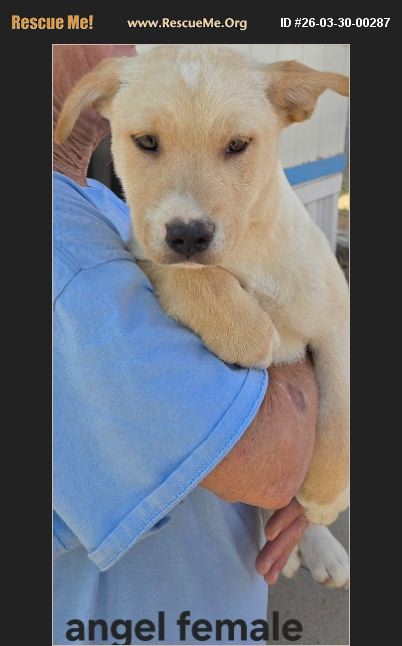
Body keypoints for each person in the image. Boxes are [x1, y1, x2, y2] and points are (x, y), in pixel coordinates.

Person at [53, 45, 318, 645]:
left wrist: (316, 478)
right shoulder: (63, 259)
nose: (133, 47)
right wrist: (303, 400)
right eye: (148, 143)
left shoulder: (99, 203)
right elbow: (274, 462)